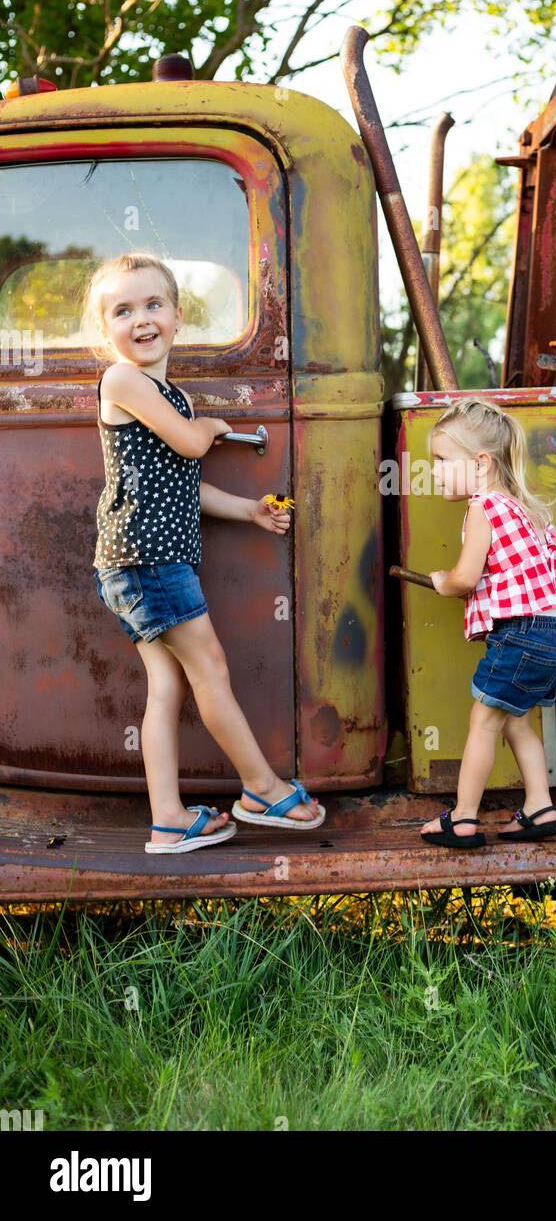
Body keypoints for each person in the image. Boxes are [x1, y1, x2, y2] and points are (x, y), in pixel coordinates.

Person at [85, 251, 324, 853]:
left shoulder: (170, 394)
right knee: (210, 667)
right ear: (105, 329)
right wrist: (215, 426)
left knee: (168, 686)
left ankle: (168, 819)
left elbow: (184, 485)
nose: (140, 320)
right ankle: (261, 788)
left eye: (153, 305)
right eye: (123, 310)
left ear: (177, 315)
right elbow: (192, 446)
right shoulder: (122, 381)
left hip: (142, 563)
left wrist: (248, 510)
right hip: (146, 560)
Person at [419, 398, 556, 848]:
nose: (435, 472)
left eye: (443, 461)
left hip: (522, 636)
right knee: (517, 720)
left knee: (483, 721)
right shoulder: (523, 508)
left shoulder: (484, 508)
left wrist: (443, 582)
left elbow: (465, 578)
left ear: (480, 464)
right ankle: (540, 807)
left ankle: (462, 818)